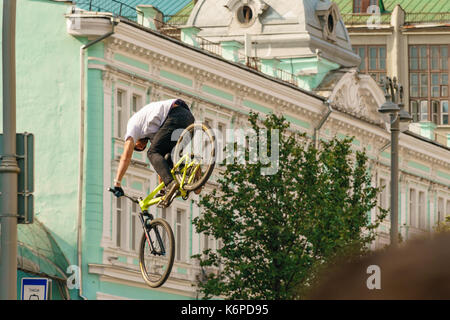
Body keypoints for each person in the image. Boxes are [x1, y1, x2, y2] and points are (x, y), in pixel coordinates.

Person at [112, 98, 195, 208]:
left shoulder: (133, 126)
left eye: (137, 147)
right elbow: (161, 166)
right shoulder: (153, 131)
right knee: (167, 157)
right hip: (188, 119)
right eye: (141, 148)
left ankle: (171, 183)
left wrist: (117, 183)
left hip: (175, 115)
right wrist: (163, 190)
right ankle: (193, 177)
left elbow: (126, 156)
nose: (142, 147)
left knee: (152, 153)